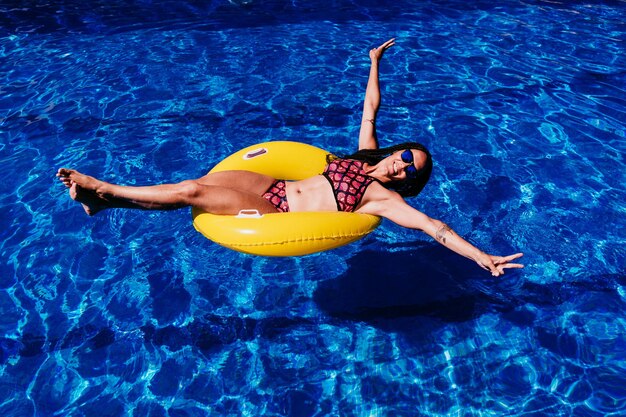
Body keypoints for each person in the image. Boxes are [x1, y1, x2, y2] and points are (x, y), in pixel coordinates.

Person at [58, 39, 524, 276]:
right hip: (270, 185)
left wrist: (481, 257)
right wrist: (374, 63)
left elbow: (434, 229)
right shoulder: (363, 156)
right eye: (406, 154)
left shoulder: (382, 199)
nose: (402, 164)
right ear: (395, 150)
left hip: (277, 210)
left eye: (410, 171)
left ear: (405, 182)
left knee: (191, 192)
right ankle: (106, 204)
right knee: (196, 180)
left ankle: (105, 188)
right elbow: (370, 108)